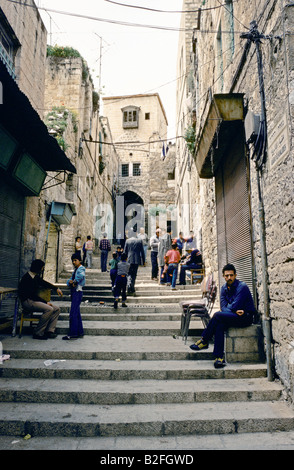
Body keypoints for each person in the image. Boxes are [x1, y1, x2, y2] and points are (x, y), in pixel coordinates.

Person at [189, 263, 256, 369]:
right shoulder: (224, 288)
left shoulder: (242, 287)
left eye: (231, 275)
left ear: (235, 275)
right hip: (233, 316)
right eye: (227, 276)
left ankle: (204, 340)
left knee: (217, 315)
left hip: (245, 317)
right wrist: (232, 310)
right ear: (224, 276)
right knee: (219, 323)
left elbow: (236, 305)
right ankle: (219, 358)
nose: (229, 278)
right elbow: (223, 307)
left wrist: (231, 309)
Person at [18, 259, 63, 339]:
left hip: (33, 300)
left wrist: (56, 289)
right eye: (42, 267)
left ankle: (50, 331)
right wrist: (45, 302)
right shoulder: (27, 278)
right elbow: (31, 295)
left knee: (57, 309)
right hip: (27, 301)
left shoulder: (35, 276)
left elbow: (44, 283)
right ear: (38, 267)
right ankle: (38, 332)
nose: (43, 269)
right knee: (49, 309)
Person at [63, 252, 86, 340]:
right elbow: (72, 279)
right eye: (72, 261)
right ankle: (80, 331)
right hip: (75, 292)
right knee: (76, 313)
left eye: (75, 260)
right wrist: (69, 281)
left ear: (79, 260)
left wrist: (74, 281)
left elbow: (80, 276)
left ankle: (73, 333)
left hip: (77, 292)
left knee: (73, 313)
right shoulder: (76, 269)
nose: (73, 262)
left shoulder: (81, 268)